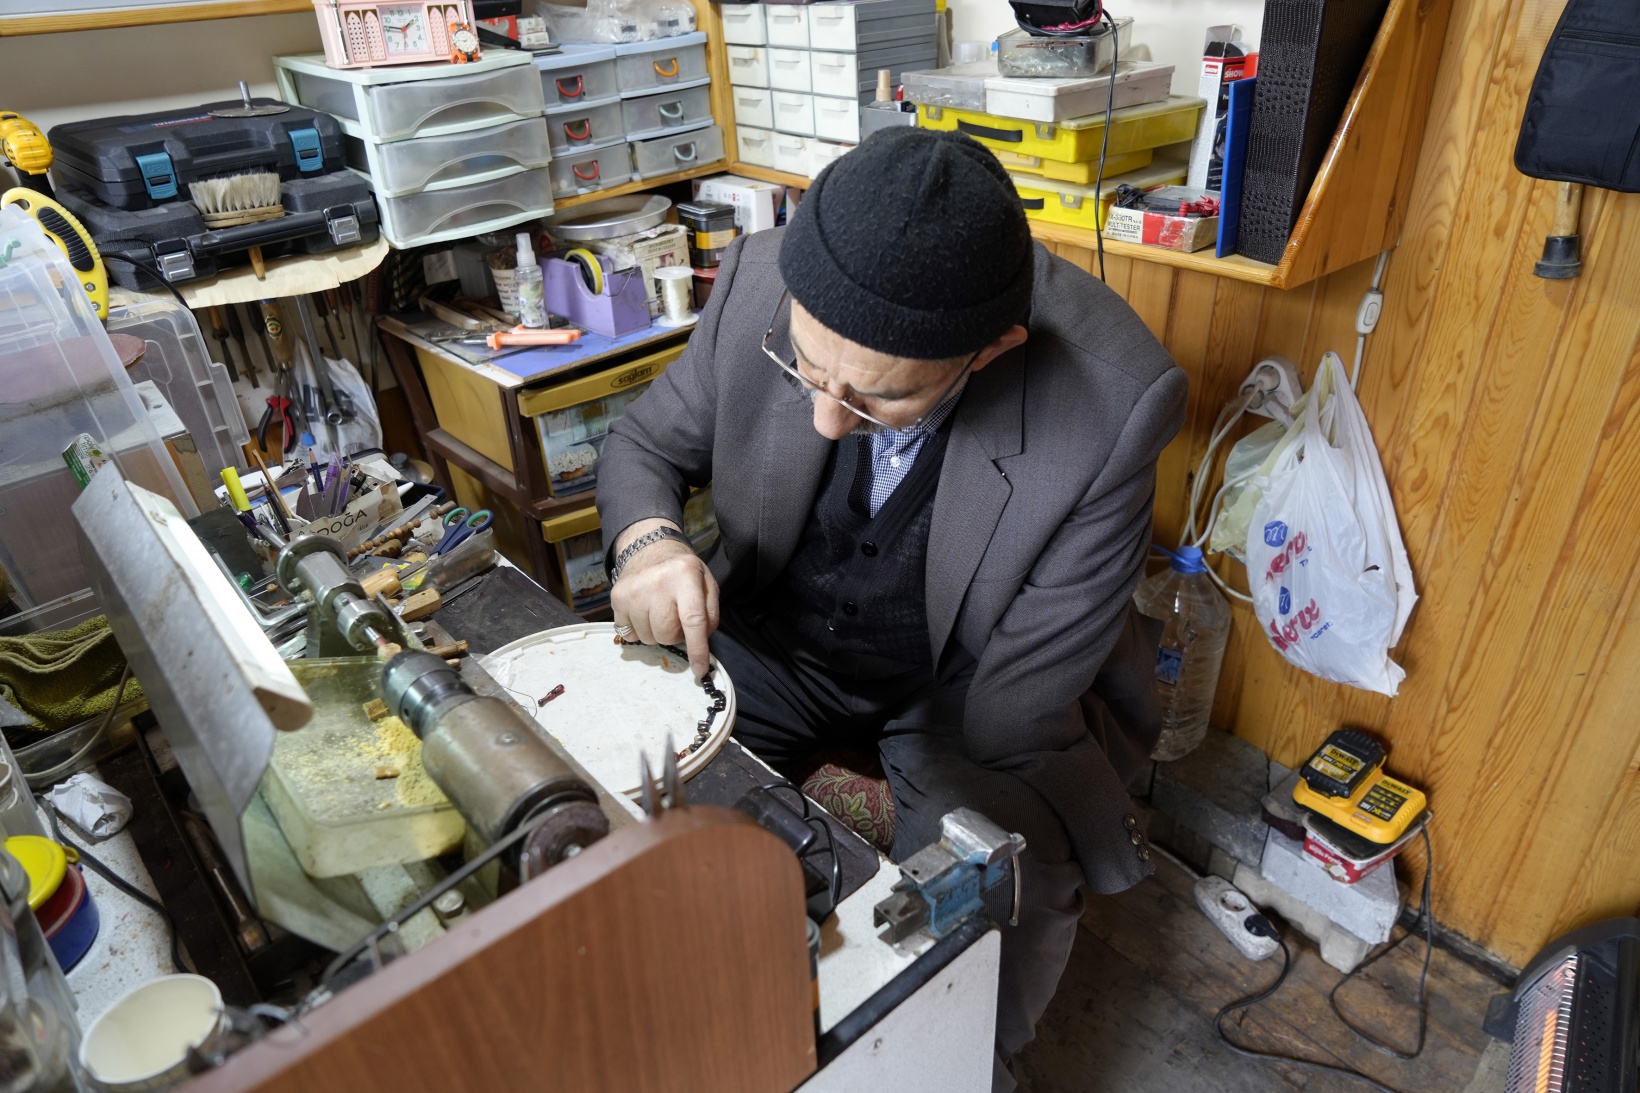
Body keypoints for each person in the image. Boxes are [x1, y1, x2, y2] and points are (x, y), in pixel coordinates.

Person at [597, 126, 1186, 1090]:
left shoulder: (1113, 405)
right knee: (630, 791)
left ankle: (956, 1065)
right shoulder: (758, 283)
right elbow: (642, 449)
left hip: (964, 684)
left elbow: (1019, 700)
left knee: (1004, 884)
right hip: (774, 634)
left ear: (991, 350)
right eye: (807, 373)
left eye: (878, 403)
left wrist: (946, 833)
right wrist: (650, 543)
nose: (829, 418)